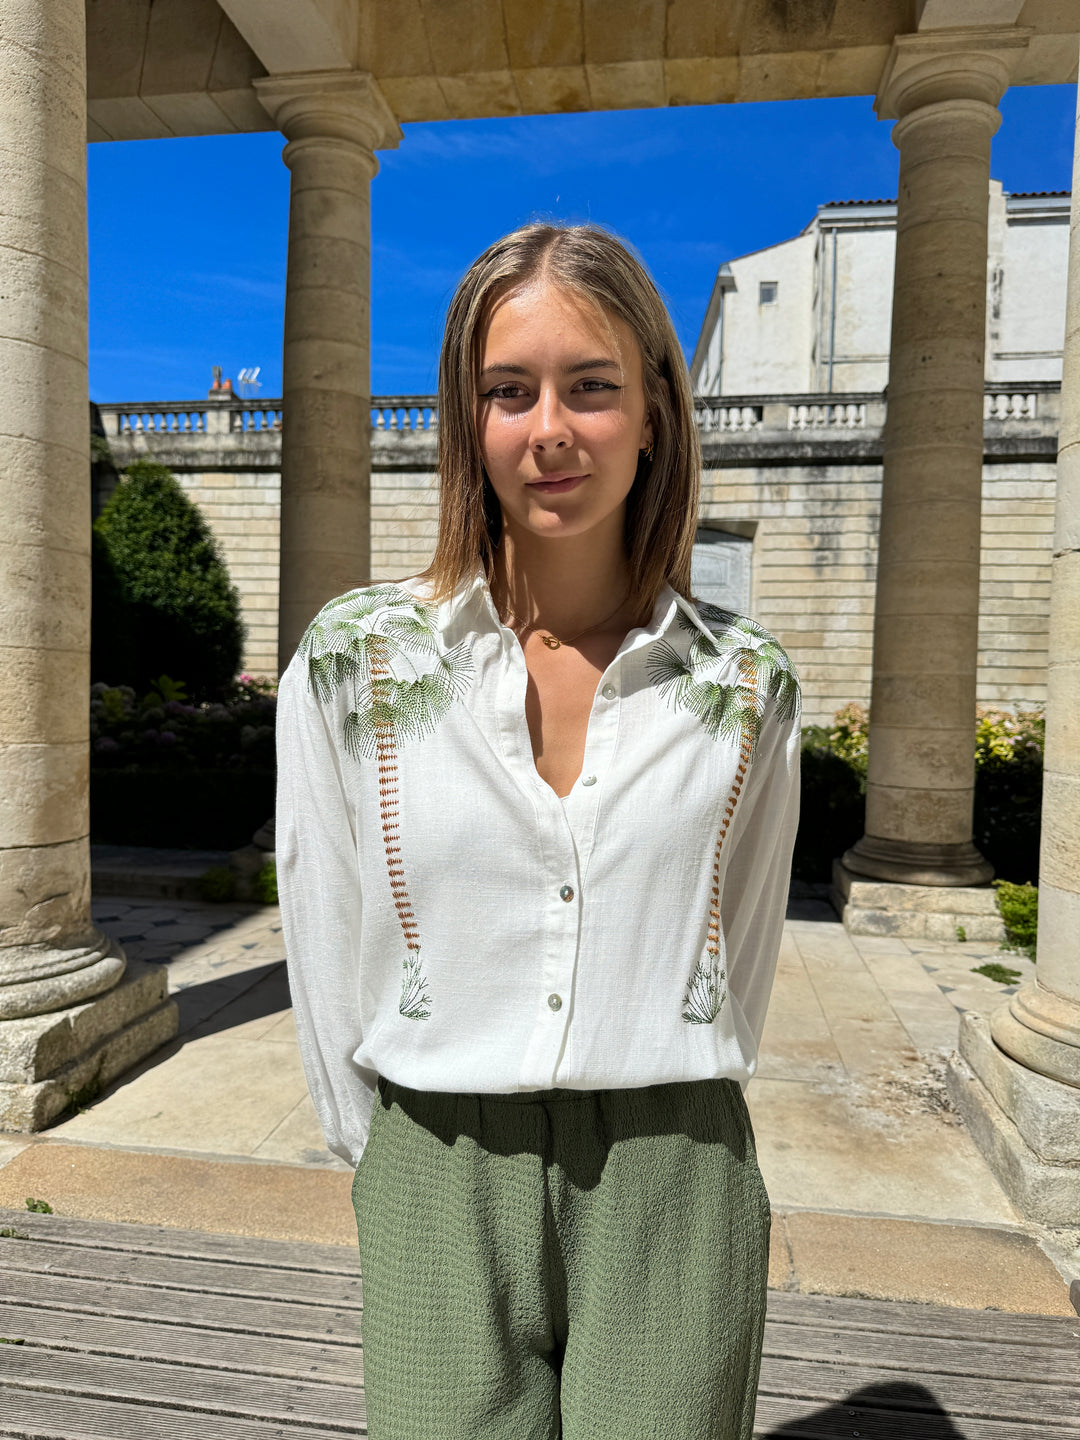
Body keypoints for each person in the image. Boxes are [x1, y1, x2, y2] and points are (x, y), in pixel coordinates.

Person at [276, 221, 801, 1440]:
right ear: (469, 421)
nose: (549, 428)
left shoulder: (748, 684)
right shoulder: (354, 661)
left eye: (593, 386)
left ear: (657, 411)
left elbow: (742, 961)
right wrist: (394, 1164)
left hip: (676, 1169)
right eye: (508, 391)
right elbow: (326, 928)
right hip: (435, 1162)